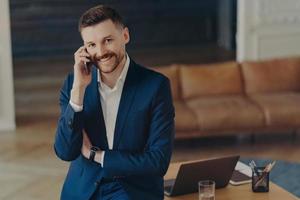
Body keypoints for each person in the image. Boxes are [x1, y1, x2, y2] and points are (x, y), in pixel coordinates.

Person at [54, 5, 175, 200]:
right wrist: (78, 92)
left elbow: (158, 161)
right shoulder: (73, 84)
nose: (100, 52)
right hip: (83, 191)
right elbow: (65, 152)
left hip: (132, 190)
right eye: (91, 45)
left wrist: (96, 155)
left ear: (125, 36)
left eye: (108, 40)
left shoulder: (156, 86)